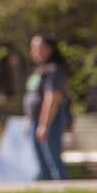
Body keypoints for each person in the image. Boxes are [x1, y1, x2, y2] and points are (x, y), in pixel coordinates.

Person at [23, 35, 73, 180]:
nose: (34, 51)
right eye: (32, 47)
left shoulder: (55, 69)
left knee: (53, 161)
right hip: (35, 120)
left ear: (49, 49)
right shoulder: (39, 69)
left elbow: (52, 98)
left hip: (50, 120)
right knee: (41, 164)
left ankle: (64, 191)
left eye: (38, 47)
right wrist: (29, 118)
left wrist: (44, 124)